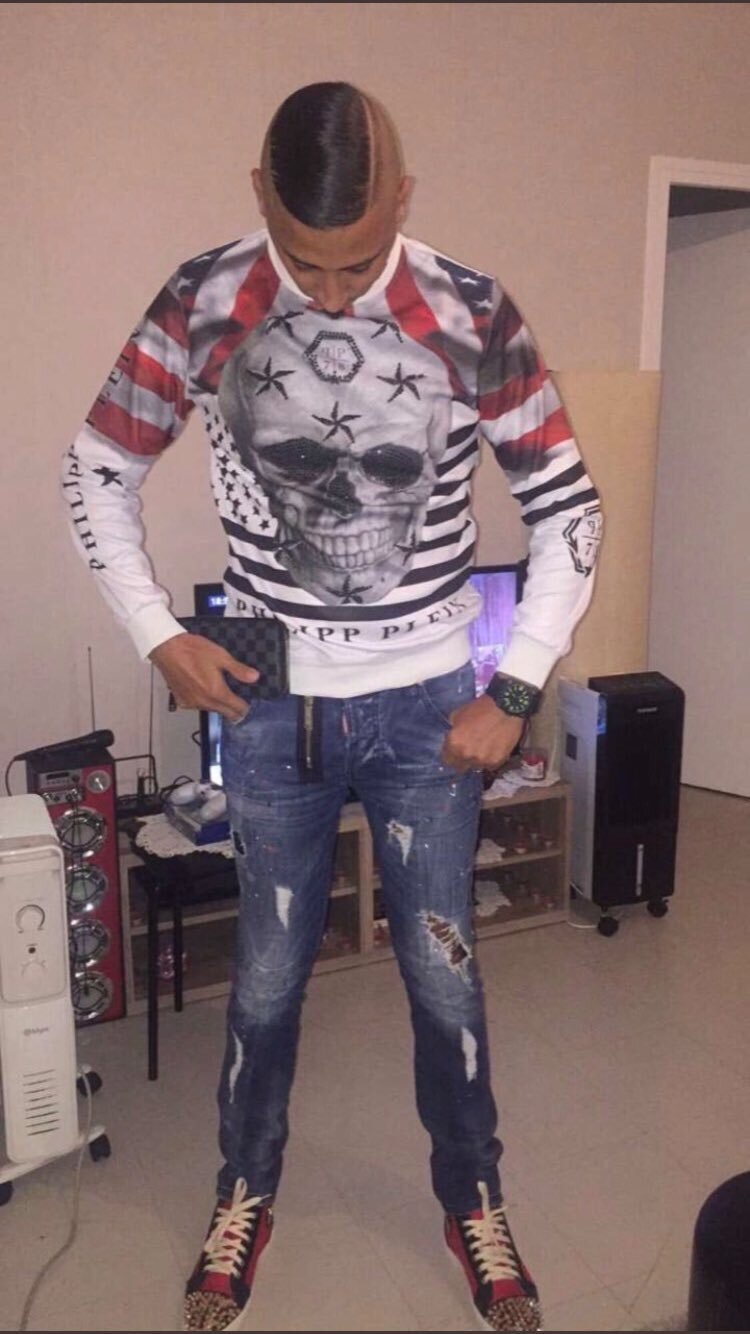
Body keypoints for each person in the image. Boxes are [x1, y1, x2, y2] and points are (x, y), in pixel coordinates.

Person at [62, 81, 602, 1333]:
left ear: (401, 203)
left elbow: (568, 505)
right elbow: (95, 464)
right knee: (264, 978)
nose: (334, 291)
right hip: (269, 679)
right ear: (260, 197)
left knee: (444, 974)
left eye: (359, 262)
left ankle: (473, 1198)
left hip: (428, 688)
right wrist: (158, 630)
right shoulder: (204, 300)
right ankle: (243, 1191)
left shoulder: (472, 312)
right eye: (305, 261)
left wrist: (515, 682)